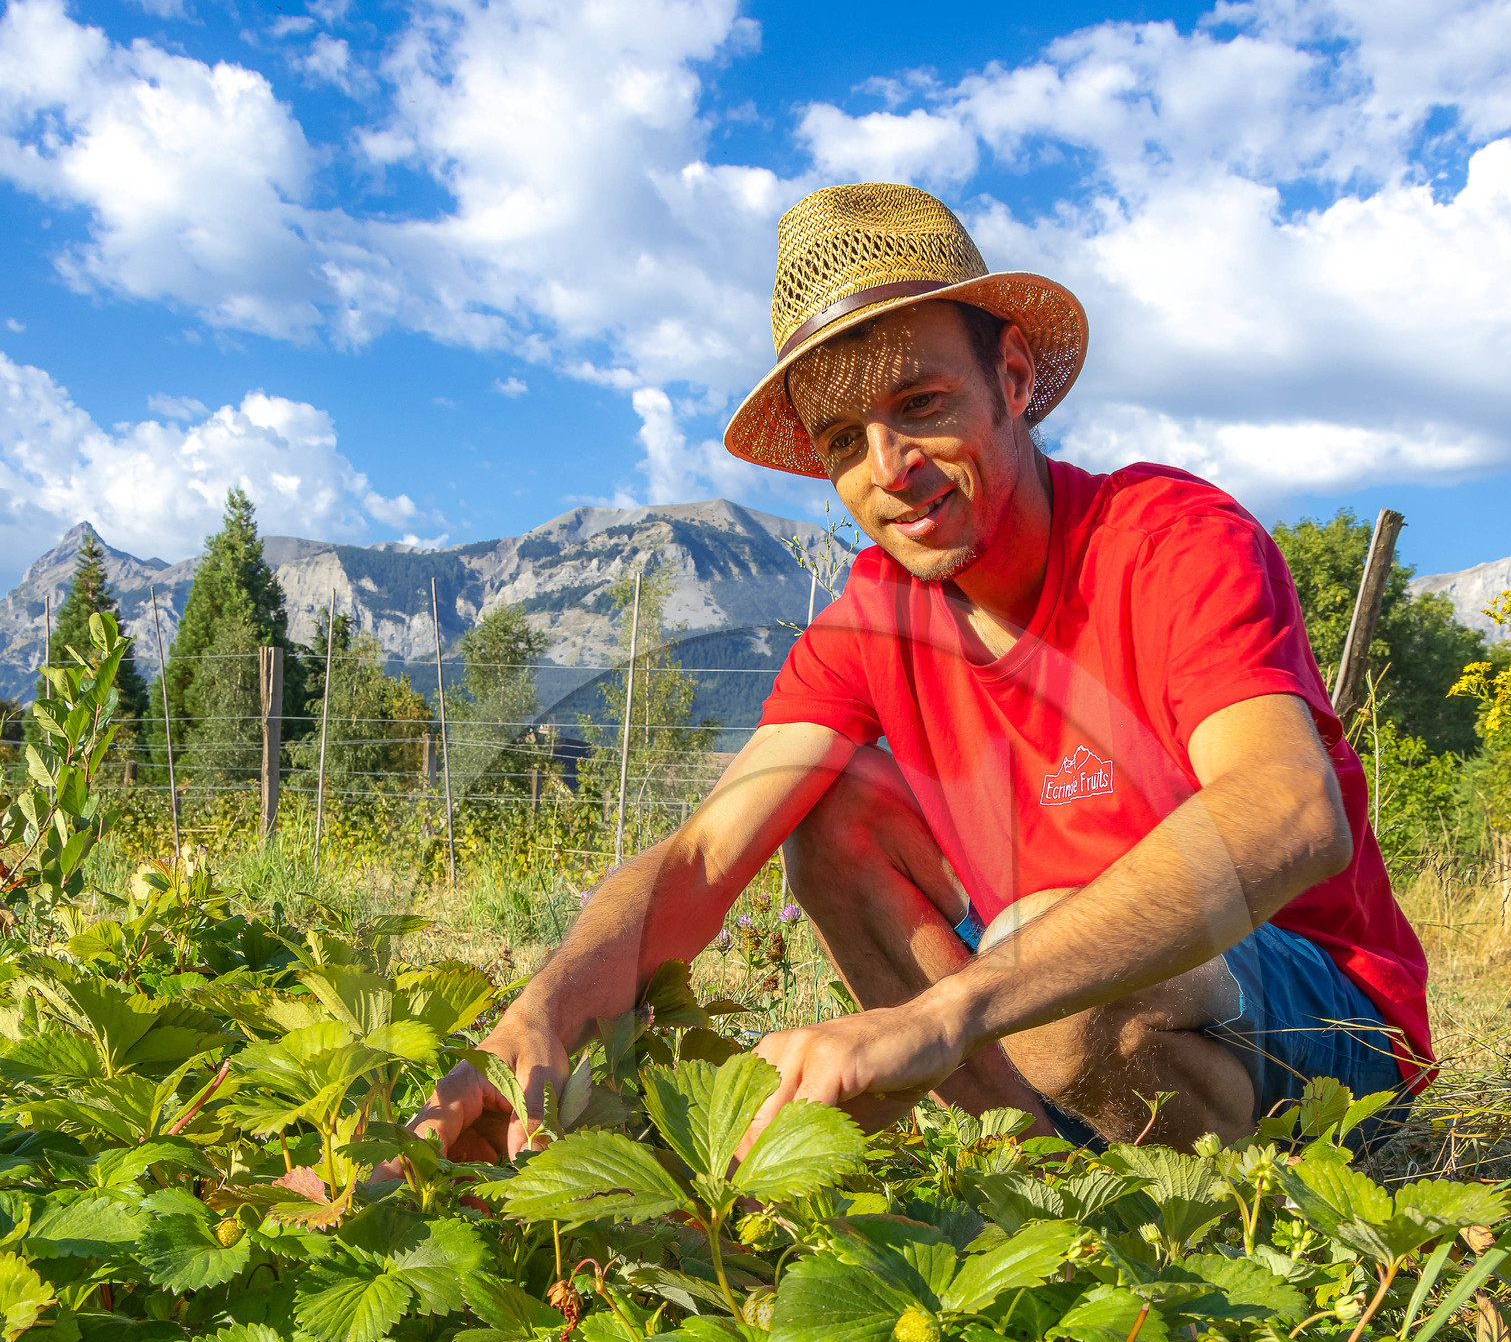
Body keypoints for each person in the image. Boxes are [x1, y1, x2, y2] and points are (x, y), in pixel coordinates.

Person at [414, 182, 1431, 1165]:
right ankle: (1037, 1178)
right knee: (831, 811)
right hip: (1060, 1019)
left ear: (1015, 382)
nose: (888, 467)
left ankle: (1229, 1208)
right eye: (844, 442)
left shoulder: (1164, 538)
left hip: (1316, 1025)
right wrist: (538, 1016)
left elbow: (1289, 811)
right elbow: (700, 861)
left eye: (921, 402)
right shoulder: (874, 619)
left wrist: (944, 1012)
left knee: (1040, 944)